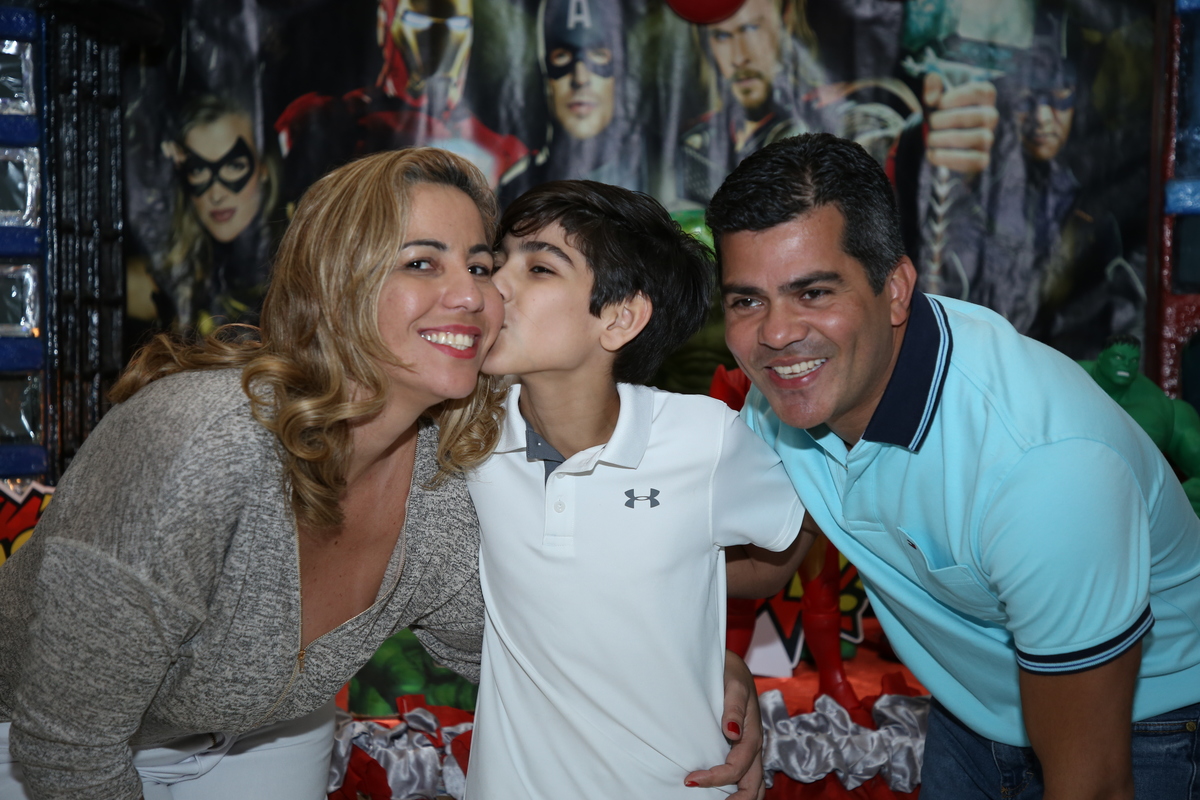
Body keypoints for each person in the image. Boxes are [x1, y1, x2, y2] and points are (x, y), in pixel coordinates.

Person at [0, 146, 765, 800]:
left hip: (267, 735)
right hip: (37, 736)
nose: (474, 295)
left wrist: (701, 673)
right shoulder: (201, 443)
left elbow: (536, 650)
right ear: (340, 280)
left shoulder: (452, 479)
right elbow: (67, 746)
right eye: (422, 262)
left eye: (480, 264)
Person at [707, 133, 1200, 799]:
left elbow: (1094, 785)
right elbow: (768, 558)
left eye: (814, 292)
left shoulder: (1041, 467)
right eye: (747, 300)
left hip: (1151, 723)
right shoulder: (793, 391)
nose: (775, 333)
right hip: (971, 711)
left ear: (895, 289)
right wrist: (705, 657)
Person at [464, 180, 812, 798]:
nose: (495, 286)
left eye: (539, 268)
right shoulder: (463, 437)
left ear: (619, 317)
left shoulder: (705, 438)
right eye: (496, 262)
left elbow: (782, 546)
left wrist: (679, 577)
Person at [274, 0, 528, 197]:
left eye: (457, 24)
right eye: (418, 21)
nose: (439, 41)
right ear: (385, 23)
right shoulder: (325, 119)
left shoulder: (504, 152)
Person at [676, 0, 829, 205]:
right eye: (722, 36)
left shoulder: (831, 122)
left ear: (786, 24)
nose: (739, 58)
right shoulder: (696, 139)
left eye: (751, 29)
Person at [154, 95, 282, 333]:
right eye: (198, 170)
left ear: (263, 167)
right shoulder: (168, 276)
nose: (216, 194)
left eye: (234, 166)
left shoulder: (303, 266)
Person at [497, 0, 644, 206]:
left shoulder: (661, 174)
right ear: (544, 75)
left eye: (598, 55)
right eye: (562, 56)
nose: (580, 78)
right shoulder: (515, 192)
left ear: (621, 72)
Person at [1078, 335, 1200, 515]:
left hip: (1134, 498)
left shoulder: (1155, 408)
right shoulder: (1069, 378)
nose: (1126, 365)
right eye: (1118, 357)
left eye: (1134, 360)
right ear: (1101, 357)